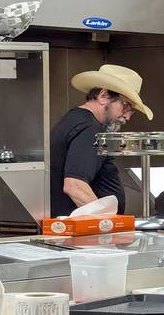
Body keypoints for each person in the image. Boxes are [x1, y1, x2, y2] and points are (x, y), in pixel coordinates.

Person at [50, 64, 154, 217]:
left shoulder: (75, 119)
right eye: (126, 106)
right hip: (82, 233)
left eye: (131, 111)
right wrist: (109, 224)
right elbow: (74, 186)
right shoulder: (90, 129)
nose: (127, 117)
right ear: (103, 96)